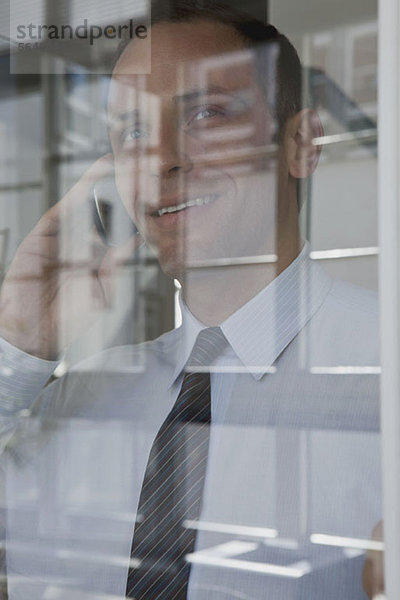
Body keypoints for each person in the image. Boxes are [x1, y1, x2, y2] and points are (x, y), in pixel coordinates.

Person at [0, 2, 381, 599]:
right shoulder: (67, 403)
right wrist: (15, 349)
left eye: (207, 113)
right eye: (133, 133)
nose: (162, 161)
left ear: (302, 143)